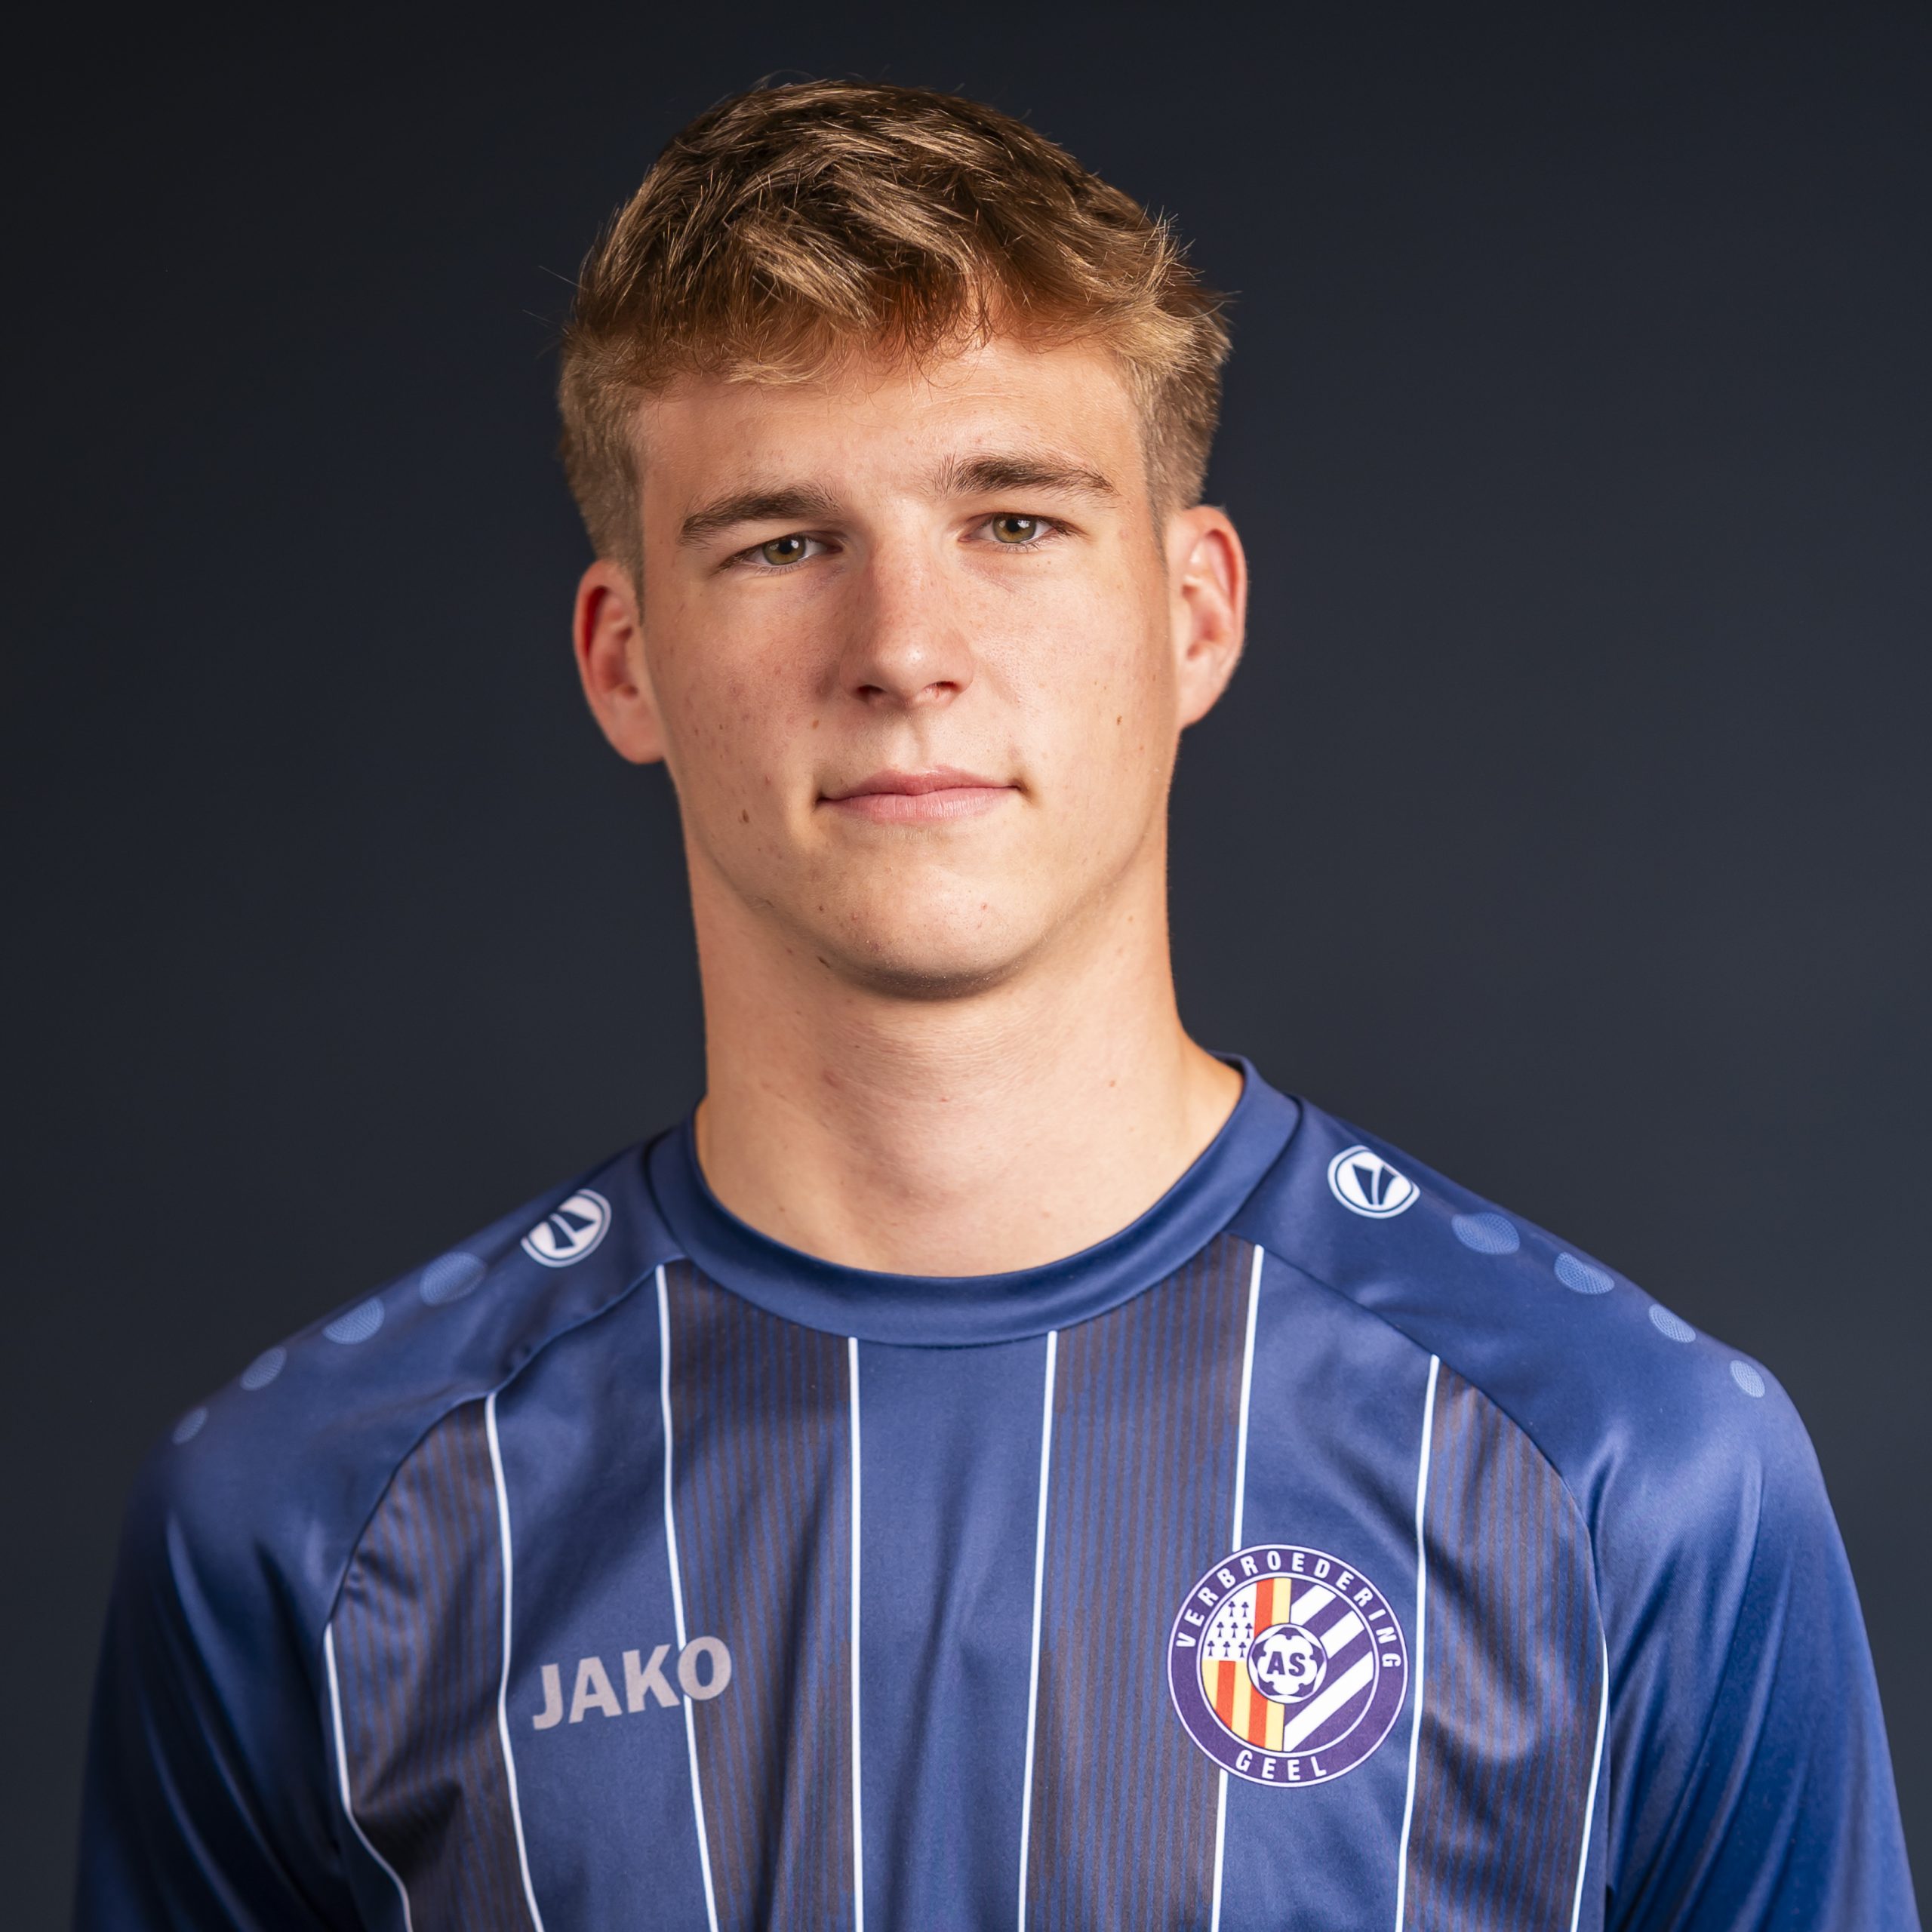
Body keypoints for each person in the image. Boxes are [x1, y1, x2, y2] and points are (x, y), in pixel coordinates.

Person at [75, 80, 1918, 1932]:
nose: (902, 650)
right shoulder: (312, 1523)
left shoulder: (1623, 1469)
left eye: (1015, 521)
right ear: (622, 658)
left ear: (1192, 613)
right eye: (780, 542)